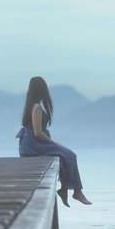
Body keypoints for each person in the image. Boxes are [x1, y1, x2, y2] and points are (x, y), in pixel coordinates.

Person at [17, 76, 91, 207]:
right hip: (33, 145)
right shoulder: (36, 108)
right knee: (70, 155)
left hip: (29, 144)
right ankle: (77, 192)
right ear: (42, 89)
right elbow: (38, 133)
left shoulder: (32, 106)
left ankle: (64, 189)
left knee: (62, 156)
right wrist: (54, 143)